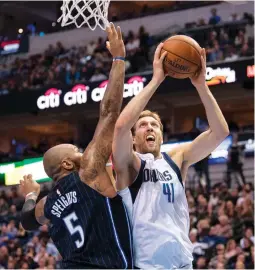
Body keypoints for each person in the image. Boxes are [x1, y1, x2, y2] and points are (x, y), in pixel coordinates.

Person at [19, 23, 133, 269]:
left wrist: (30, 194)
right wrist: (118, 59)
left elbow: (27, 220)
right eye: (77, 150)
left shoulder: (47, 204)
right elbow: (110, 112)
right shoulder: (89, 173)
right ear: (67, 163)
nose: (84, 152)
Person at [112, 44, 229, 269]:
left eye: (155, 125)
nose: (149, 128)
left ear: (162, 137)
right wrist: (156, 79)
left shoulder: (176, 159)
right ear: (133, 139)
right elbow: (119, 127)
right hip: (146, 265)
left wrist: (201, 86)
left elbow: (220, 132)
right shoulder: (129, 165)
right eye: (143, 125)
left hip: (183, 262)